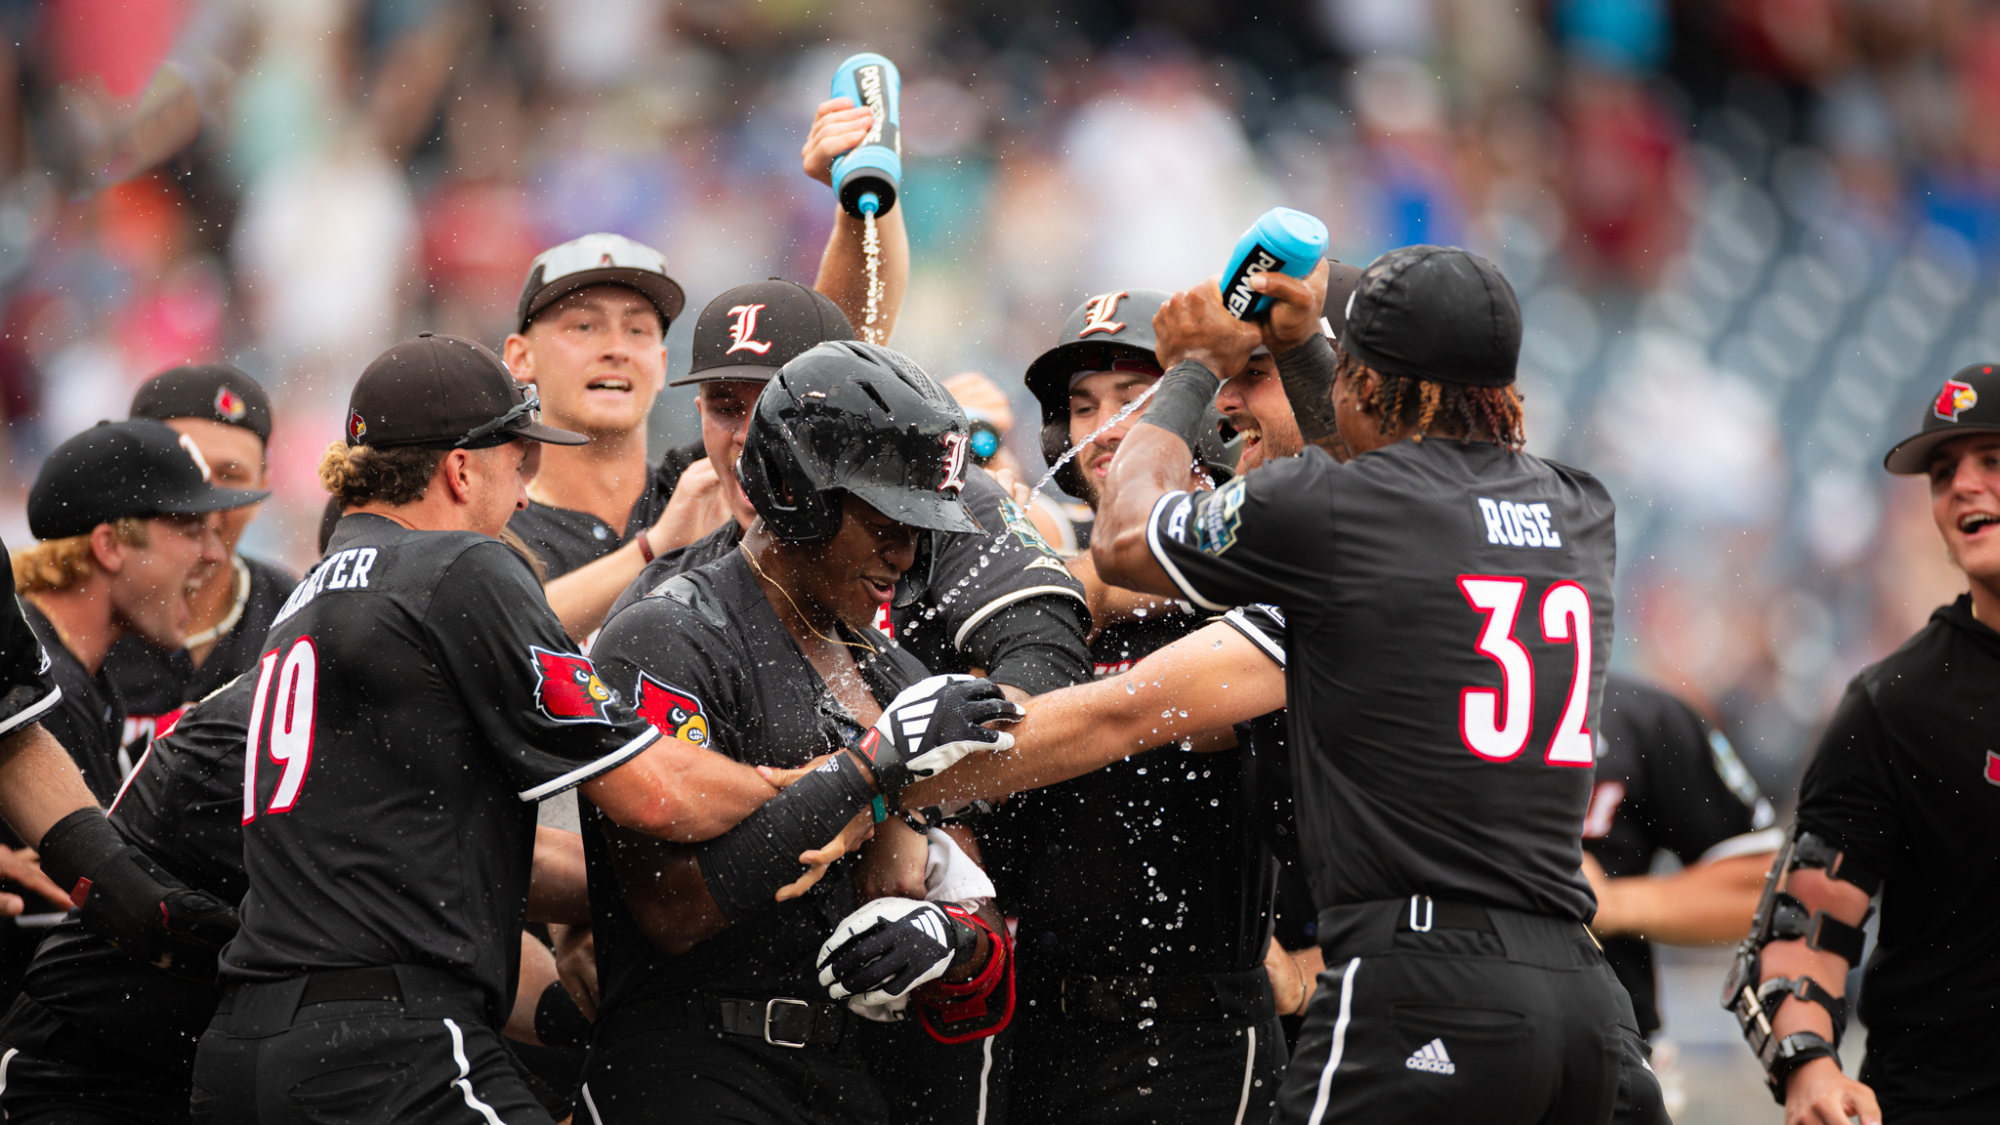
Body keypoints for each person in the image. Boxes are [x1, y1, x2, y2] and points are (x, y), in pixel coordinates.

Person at [188, 333, 843, 1124]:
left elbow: (449, 856)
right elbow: (656, 792)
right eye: (520, 461)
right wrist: (832, 783)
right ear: (461, 469)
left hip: (245, 1048)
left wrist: (611, 924)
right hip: (383, 1050)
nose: (527, 496)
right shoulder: (459, 565)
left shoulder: (306, 596)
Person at [1089, 247, 1666, 1123]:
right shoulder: (1580, 505)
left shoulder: (1332, 507)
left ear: (1363, 383)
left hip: (1421, 982)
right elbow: (1393, 488)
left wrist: (1192, 369)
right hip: (1585, 1003)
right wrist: (1303, 350)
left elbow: (1123, 540)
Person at [575, 342, 1021, 1124]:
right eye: (885, 522)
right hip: (693, 1072)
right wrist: (870, 771)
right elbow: (672, 910)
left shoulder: (893, 669)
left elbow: (976, 903)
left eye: (919, 528)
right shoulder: (668, 634)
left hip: (846, 1081)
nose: (904, 554)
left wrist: (950, 936)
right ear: (794, 492)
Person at [957, 287, 1289, 1125]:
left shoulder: (1255, 557)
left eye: (1136, 397)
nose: (1106, 427)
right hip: (1033, 1022)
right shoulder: (1030, 580)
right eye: (1083, 406)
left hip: (1193, 1031)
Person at [504, 97, 911, 638]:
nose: (616, 348)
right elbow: (491, 639)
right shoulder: (491, 510)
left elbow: (829, 360)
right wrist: (656, 548)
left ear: (662, 363)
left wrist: (859, 199)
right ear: (520, 357)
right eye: (584, 326)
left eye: (637, 329)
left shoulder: (712, 478)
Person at [1724, 361, 2000, 1125]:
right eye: (1942, 473)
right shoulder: (1897, 704)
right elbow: (1804, 928)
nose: (1963, 486)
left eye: (1992, 460)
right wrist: (1809, 1066)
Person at [13, 420, 262, 802]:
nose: (214, 554)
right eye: (192, 530)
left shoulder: (63, 668)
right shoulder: (42, 685)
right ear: (110, 546)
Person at [106, 364, 298, 766]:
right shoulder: (73, 614)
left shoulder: (298, 615)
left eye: (230, 476)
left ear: (263, 487)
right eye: (184, 468)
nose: (206, 502)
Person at [1582, 674, 1778, 1045]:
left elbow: (1764, 886)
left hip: (1611, 1038)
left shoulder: (1637, 714)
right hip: (1466, 1019)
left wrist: (1614, 903)